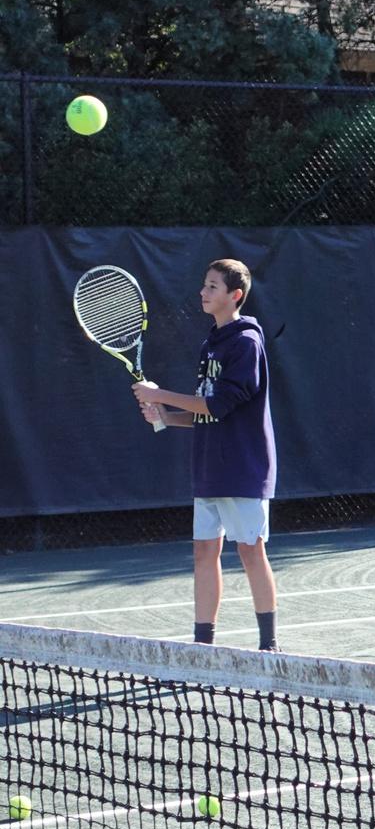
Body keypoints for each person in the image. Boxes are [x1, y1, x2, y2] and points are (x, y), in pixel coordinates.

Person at [132, 259, 279, 652]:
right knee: (203, 552)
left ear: (235, 295)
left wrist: (160, 394)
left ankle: (269, 645)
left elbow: (219, 405)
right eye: (204, 285)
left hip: (242, 468)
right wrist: (165, 416)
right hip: (209, 468)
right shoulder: (209, 344)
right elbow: (204, 413)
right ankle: (203, 646)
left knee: (250, 551)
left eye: (213, 286)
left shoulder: (246, 344)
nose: (203, 292)